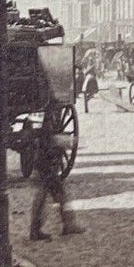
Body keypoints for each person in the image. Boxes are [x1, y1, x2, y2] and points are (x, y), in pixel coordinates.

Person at [29, 102, 82, 240]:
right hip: (46, 162)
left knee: (56, 193)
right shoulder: (44, 118)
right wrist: (66, 141)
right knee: (49, 194)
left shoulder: (41, 115)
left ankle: (67, 224)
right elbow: (47, 139)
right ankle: (38, 229)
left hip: (45, 161)